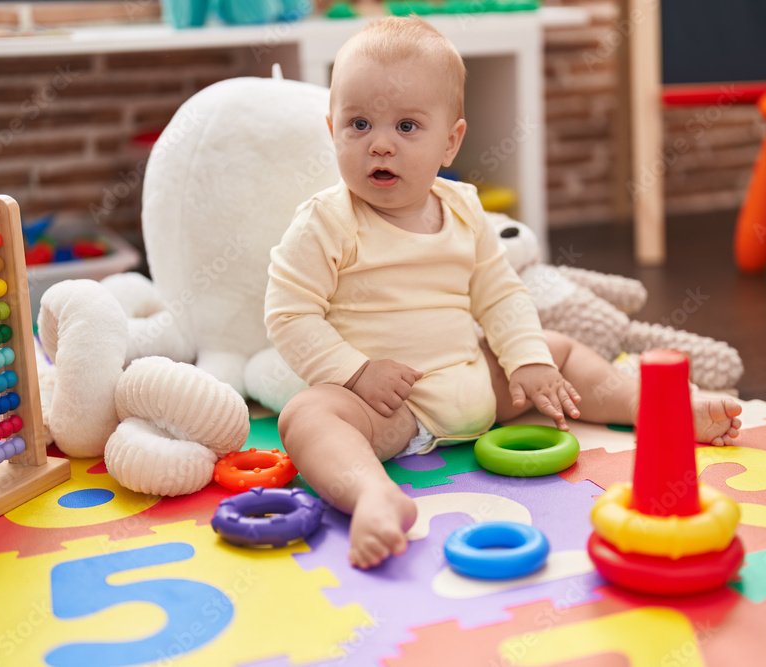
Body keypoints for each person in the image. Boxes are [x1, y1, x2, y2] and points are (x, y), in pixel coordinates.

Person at [265, 16, 742, 569]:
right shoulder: (326, 223)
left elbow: (501, 295)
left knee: (556, 348)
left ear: (451, 141)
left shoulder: (465, 209)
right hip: (390, 408)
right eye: (359, 123)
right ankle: (370, 493)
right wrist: (355, 372)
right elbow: (290, 314)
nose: (380, 145)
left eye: (408, 127)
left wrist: (527, 361)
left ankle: (663, 412)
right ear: (332, 130)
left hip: (479, 387)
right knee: (306, 415)